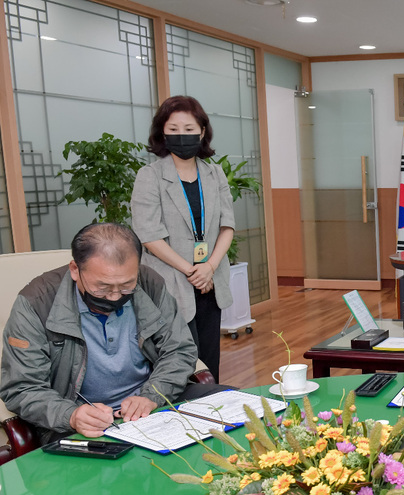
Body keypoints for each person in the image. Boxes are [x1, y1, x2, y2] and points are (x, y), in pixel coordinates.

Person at [0, 223, 200, 443]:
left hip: (151, 407)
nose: (115, 297)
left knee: (225, 407)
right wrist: (72, 416)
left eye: (126, 286)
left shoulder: (150, 283)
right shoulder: (36, 303)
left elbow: (179, 350)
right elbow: (22, 387)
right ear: (75, 270)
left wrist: (151, 396)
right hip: (79, 425)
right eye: (102, 288)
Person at [132, 95, 236, 382]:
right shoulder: (149, 176)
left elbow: (227, 226)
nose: (182, 136)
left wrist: (209, 267)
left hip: (209, 281)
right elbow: (149, 236)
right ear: (162, 132)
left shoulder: (214, 173)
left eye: (189, 129)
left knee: (210, 363)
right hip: (171, 281)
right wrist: (192, 270)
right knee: (181, 362)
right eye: (174, 129)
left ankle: (210, 417)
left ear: (202, 131)